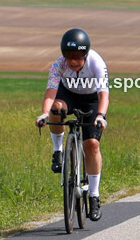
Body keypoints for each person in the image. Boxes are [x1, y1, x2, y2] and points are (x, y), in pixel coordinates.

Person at [35, 28, 109, 221]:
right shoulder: (58, 65)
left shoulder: (97, 63)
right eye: (69, 56)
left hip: (92, 100)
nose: (74, 61)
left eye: (78, 56)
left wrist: (101, 115)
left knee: (92, 145)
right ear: (63, 55)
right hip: (68, 96)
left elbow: (103, 94)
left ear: (86, 54)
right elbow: (51, 91)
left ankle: (94, 196)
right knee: (56, 109)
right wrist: (44, 113)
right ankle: (58, 151)